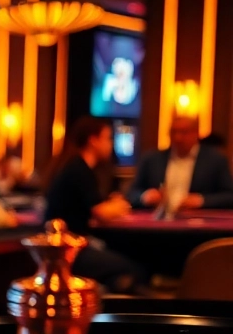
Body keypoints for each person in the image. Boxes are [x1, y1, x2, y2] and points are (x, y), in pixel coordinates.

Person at [44, 117, 142, 292]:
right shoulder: (79, 168)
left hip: (64, 248)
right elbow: (101, 212)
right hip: (68, 251)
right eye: (108, 138)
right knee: (134, 268)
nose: (110, 144)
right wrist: (122, 206)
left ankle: (101, 299)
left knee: (120, 272)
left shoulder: (75, 165)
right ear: (93, 140)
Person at [127, 115, 233, 211]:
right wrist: (144, 196)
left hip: (199, 220)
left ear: (196, 133)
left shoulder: (215, 160)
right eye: (173, 132)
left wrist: (201, 200)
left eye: (184, 132)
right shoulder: (151, 159)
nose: (178, 138)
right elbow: (131, 193)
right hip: (157, 220)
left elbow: (229, 196)